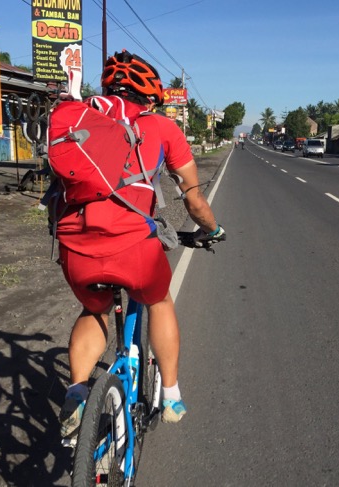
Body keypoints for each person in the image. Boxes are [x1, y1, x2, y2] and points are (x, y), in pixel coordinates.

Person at [56, 49, 225, 439]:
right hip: (133, 247)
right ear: (149, 97)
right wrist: (212, 229)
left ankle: (78, 393)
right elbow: (194, 201)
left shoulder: (80, 119)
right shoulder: (163, 129)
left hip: (75, 246)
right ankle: (170, 395)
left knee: (94, 309)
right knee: (159, 299)